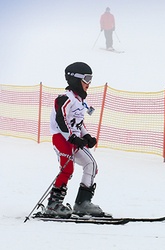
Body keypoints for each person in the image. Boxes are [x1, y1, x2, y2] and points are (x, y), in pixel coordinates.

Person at [45, 62, 107, 218]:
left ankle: (82, 204)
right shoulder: (65, 98)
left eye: (91, 78)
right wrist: (72, 137)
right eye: (86, 78)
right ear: (75, 79)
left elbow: (78, 123)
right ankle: (53, 205)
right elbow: (61, 119)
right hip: (62, 138)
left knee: (91, 165)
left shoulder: (80, 101)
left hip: (74, 140)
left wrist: (85, 136)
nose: (89, 83)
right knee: (67, 169)